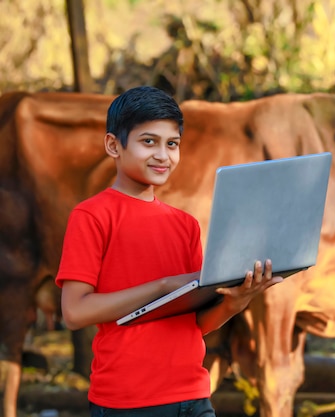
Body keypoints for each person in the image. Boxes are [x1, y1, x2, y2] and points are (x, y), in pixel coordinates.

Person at [55, 86, 283, 417]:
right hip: (127, 401)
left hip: (194, 394)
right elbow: (75, 312)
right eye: (149, 142)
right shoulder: (92, 216)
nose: (163, 155)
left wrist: (236, 302)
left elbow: (195, 323)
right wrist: (162, 286)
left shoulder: (186, 225)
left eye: (172, 144)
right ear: (113, 145)